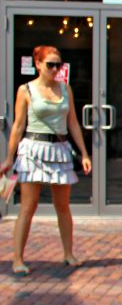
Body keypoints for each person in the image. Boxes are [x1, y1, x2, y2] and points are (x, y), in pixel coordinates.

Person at [0, 46, 92, 276]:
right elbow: (18, 126)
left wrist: (84, 153)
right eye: (50, 64)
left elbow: (72, 122)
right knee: (28, 206)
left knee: (63, 206)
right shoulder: (26, 90)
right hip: (33, 148)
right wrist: (9, 157)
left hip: (59, 149)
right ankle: (18, 258)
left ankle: (68, 253)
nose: (54, 69)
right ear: (38, 64)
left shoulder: (65, 88)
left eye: (58, 65)